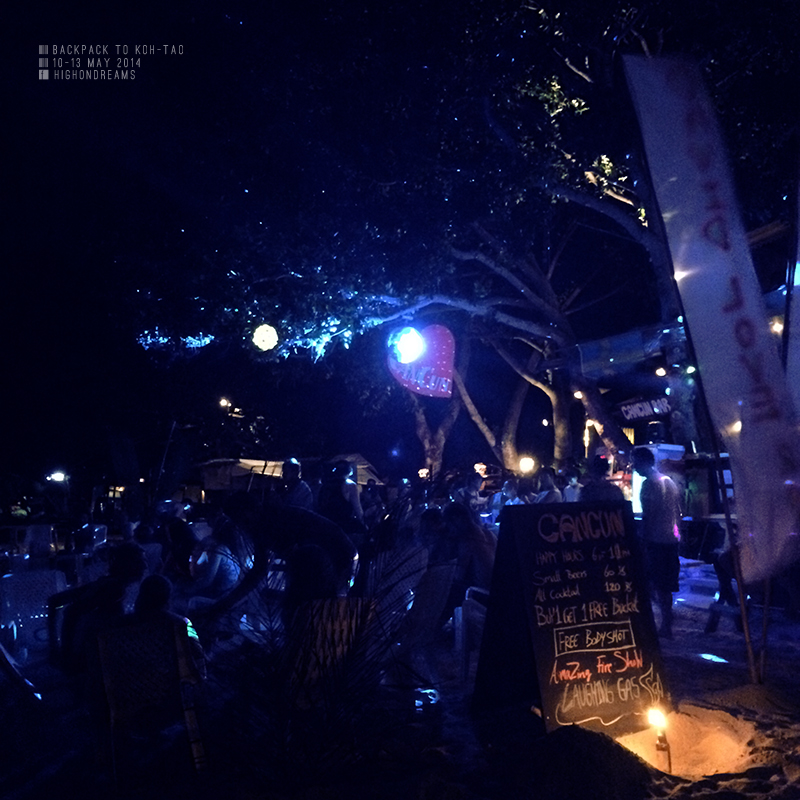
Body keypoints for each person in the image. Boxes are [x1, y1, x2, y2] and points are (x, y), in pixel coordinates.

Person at [632, 447, 682, 638]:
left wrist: (642, 540)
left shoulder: (648, 485)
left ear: (644, 462)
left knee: (652, 582)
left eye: (635, 462)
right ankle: (667, 621)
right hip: (671, 540)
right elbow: (677, 512)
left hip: (655, 540)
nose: (634, 467)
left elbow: (648, 515)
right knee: (666, 585)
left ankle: (661, 623)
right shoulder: (669, 481)